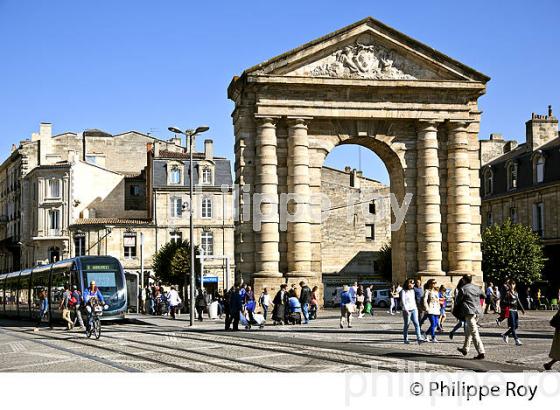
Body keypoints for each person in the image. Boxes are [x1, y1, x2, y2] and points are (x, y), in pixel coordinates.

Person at [456, 274, 486, 360]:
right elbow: (484, 296)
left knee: (474, 332)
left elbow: (458, 301)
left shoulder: (463, 289)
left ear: (464, 280)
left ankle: (481, 352)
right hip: (477, 312)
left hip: (469, 312)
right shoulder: (476, 287)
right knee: (468, 331)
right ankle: (465, 349)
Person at [400, 279, 425, 344]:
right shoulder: (403, 291)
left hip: (414, 309)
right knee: (407, 324)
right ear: (407, 284)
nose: (413, 284)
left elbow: (414, 300)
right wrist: (405, 309)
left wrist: (417, 308)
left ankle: (419, 338)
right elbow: (403, 301)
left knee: (416, 323)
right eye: (411, 283)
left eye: (413, 283)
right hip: (407, 310)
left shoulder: (413, 291)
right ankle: (405, 339)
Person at [501, 280, 526, 346]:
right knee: (512, 326)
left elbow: (518, 301)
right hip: (510, 310)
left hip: (515, 311)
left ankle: (505, 334)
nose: (512, 285)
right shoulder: (507, 293)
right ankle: (516, 340)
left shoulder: (516, 293)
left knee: (516, 326)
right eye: (511, 284)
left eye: (513, 284)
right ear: (509, 285)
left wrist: (522, 309)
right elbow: (503, 301)